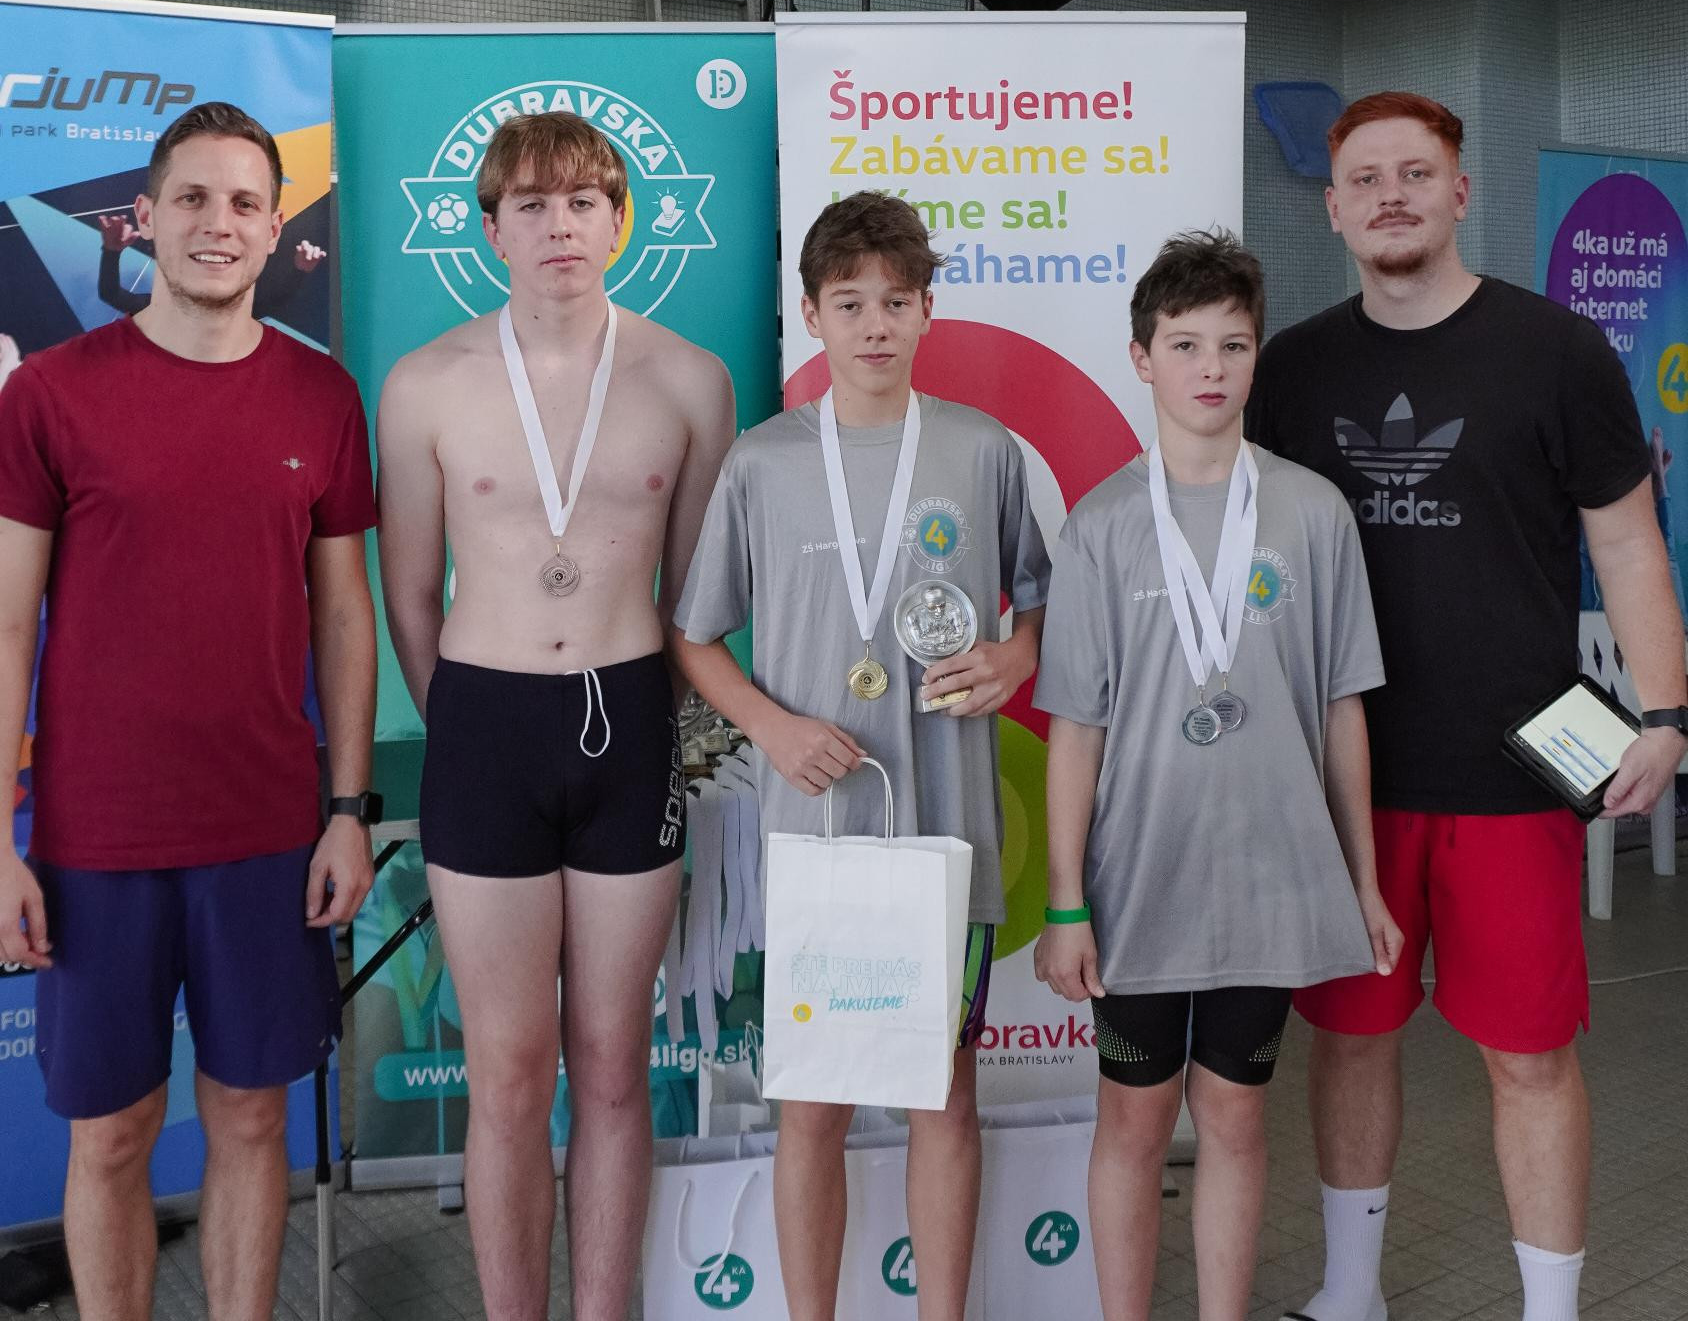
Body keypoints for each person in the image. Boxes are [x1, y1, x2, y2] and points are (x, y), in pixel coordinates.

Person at [1247, 92, 1688, 1321]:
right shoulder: (1290, 370)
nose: (1388, 194)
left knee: (1528, 1055)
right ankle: (1349, 1291)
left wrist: (1664, 712)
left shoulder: (1556, 351)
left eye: (1413, 172)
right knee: (1350, 1037)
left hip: (1514, 768)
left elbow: (1627, 543)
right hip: (1344, 773)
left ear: (1456, 190)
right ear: (1331, 208)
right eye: (1364, 178)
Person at [0, 101, 378, 1321]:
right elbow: (7, 626)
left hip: (267, 831)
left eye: (246, 202)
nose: (220, 222)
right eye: (195, 198)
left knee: (253, 1115)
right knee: (111, 1132)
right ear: (144, 217)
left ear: (275, 231)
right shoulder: (49, 393)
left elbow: (344, 616)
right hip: (94, 836)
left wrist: (348, 808)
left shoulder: (322, 397)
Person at [376, 111, 735, 1321]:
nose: (559, 225)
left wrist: (646, 715)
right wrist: (468, 724)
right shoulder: (425, 382)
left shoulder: (689, 379)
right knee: (508, 1072)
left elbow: (695, 598)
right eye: (530, 204)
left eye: (583, 201)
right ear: (491, 230)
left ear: (619, 221)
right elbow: (410, 594)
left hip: (630, 716)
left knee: (615, 1065)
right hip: (483, 722)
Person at [672, 190, 1050, 1321]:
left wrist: (1012, 657)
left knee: (945, 1094)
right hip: (816, 843)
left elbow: (1039, 606)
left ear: (928, 308)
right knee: (813, 1106)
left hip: (947, 831)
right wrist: (772, 726)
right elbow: (694, 637)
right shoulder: (763, 461)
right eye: (850, 302)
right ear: (812, 314)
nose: (874, 324)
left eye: (896, 300)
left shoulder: (980, 450)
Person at [1032, 229, 1400, 1321]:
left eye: (1232, 345)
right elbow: (1076, 729)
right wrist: (1065, 902)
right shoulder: (1101, 526)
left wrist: (1363, 883)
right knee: (1135, 1120)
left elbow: (1341, 709)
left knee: (1236, 1117)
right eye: (1184, 344)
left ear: (1255, 357)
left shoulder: (1312, 511)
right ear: (1140, 357)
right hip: (1139, 880)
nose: (1209, 367)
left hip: (1270, 878)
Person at [96, 209, 325, 320]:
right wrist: (111, 252)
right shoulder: (160, 308)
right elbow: (110, 293)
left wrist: (300, 271)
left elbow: (275, 302)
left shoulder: (231, 314)